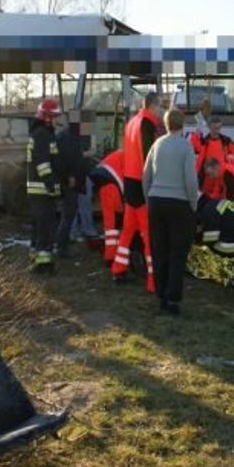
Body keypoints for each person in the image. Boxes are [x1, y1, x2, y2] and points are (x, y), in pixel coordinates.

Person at [143, 109, 199, 315]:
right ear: (182, 124)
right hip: (179, 204)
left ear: (166, 124)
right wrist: (193, 204)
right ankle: (172, 300)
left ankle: (161, 296)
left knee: (159, 250)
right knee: (177, 252)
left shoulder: (156, 145)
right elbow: (190, 180)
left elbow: (145, 175)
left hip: (156, 202)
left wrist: (149, 200)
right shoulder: (185, 146)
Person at [112, 92, 162, 291]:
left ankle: (118, 269)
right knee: (148, 234)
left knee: (128, 231)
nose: (160, 111)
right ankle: (153, 280)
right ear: (152, 105)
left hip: (129, 181)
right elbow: (150, 157)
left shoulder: (132, 122)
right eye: (159, 107)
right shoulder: (146, 124)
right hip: (142, 184)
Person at [27, 99, 62, 274]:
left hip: (37, 189)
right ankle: (43, 264)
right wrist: (52, 186)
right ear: (47, 118)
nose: (56, 120)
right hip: (42, 189)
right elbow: (43, 165)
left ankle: (36, 259)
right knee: (45, 227)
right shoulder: (43, 135)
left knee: (39, 226)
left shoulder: (40, 133)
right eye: (55, 116)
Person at [55, 115, 86, 258]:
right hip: (70, 182)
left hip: (68, 179)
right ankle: (62, 247)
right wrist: (71, 176)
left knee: (68, 214)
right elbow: (69, 159)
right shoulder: (69, 137)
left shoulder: (66, 135)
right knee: (68, 214)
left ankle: (62, 243)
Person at [90, 149, 124, 265]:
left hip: (104, 183)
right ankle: (112, 257)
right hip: (112, 185)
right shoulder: (133, 157)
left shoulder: (123, 153)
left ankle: (110, 256)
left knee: (110, 225)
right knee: (114, 225)